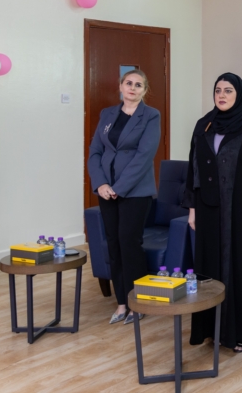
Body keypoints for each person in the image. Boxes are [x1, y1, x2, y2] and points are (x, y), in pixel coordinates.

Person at [184, 73, 242, 353]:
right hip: (209, 209)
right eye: (218, 90)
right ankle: (212, 328)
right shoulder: (204, 125)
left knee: (241, 267)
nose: (221, 95)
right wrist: (192, 208)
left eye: (228, 91)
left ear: (240, 94)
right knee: (209, 268)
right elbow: (194, 168)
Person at [87, 69, 161, 325]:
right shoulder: (107, 114)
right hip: (106, 191)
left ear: (144, 90)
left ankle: (137, 303)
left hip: (135, 192)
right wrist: (101, 184)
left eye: (138, 85)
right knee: (114, 245)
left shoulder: (150, 115)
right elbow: (95, 152)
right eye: (128, 83)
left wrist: (119, 187)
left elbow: (144, 156)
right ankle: (121, 302)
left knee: (129, 244)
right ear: (120, 86)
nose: (132, 87)